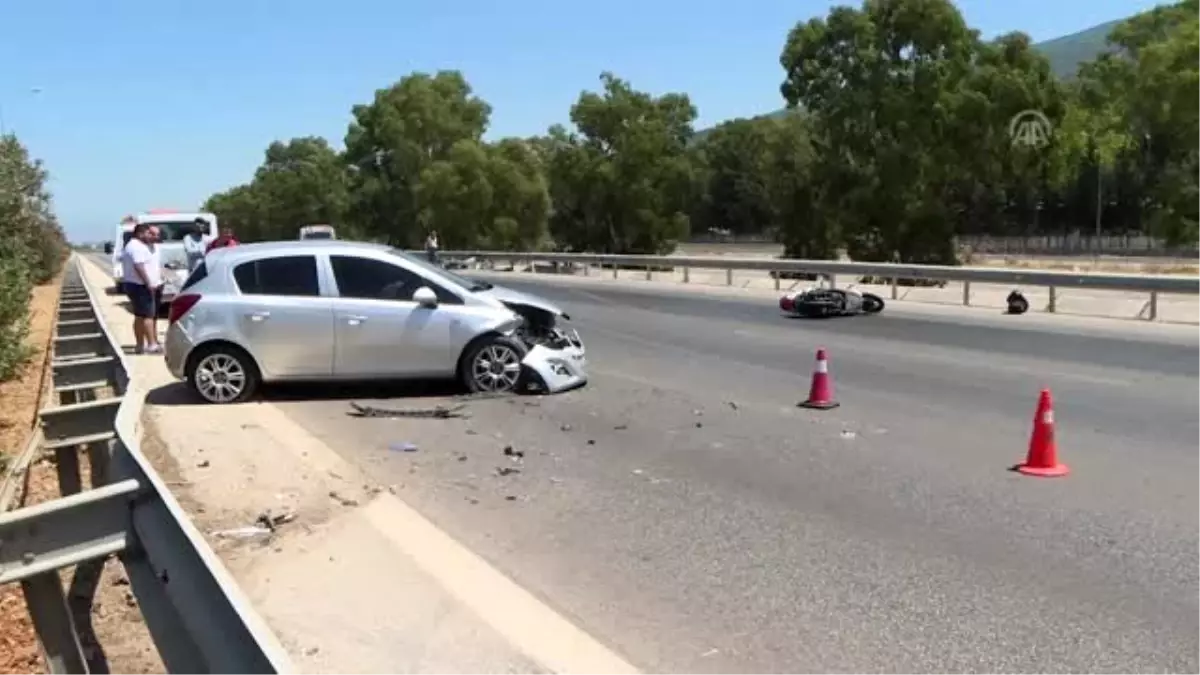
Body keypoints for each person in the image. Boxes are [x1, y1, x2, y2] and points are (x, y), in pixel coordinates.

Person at [121, 223, 164, 354]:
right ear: (140, 233)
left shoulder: (135, 245)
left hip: (136, 284)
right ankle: (152, 345)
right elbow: (139, 266)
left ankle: (140, 345)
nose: (150, 235)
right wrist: (148, 283)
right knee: (147, 316)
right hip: (140, 286)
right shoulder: (137, 247)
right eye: (148, 233)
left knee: (140, 316)